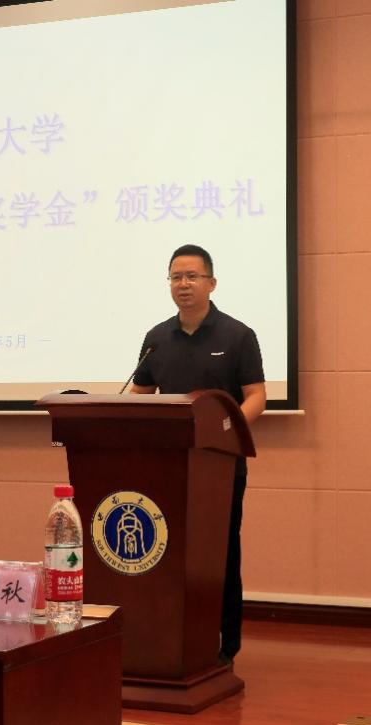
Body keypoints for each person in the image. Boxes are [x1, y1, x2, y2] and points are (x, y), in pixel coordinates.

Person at [130, 244, 266, 662]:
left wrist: (225, 432)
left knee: (220, 551)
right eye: (176, 277)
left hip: (219, 465)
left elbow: (257, 396)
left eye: (192, 276)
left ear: (211, 282)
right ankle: (170, 635)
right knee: (167, 552)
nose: (183, 284)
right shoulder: (156, 339)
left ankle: (224, 643)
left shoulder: (237, 335)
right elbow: (139, 394)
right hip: (168, 467)